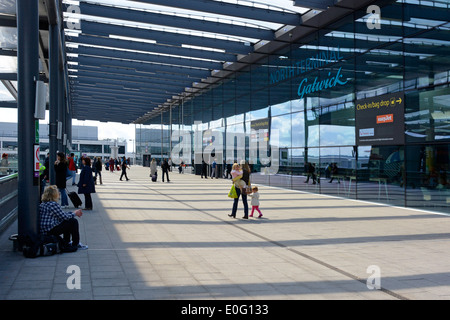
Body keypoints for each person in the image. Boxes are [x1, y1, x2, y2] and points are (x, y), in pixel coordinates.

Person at [39, 185, 87, 250]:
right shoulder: (53, 204)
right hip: (50, 230)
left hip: (45, 230)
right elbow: (64, 217)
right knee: (73, 221)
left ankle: (66, 242)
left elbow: (61, 215)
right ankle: (75, 243)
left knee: (68, 221)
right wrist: (75, 213)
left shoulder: (43, 204)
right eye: (57, 193)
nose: (59, 194)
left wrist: (72, 213)